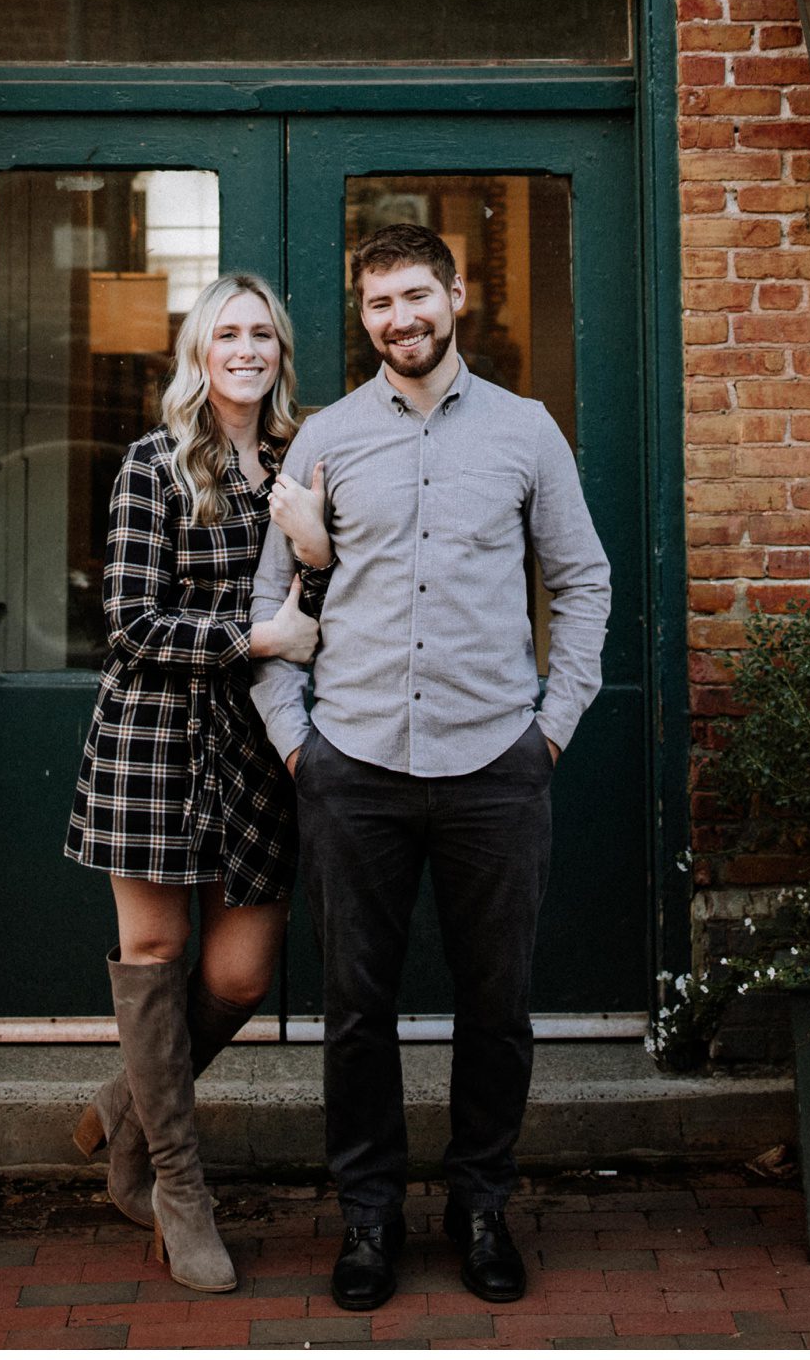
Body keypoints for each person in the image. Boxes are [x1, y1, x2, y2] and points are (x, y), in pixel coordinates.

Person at [252, 221, 611, 1313]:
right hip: (352, 761)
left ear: (454, 295)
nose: (399, 318)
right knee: (354, 1006)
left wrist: (549, 725)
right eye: (377, 303)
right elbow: (275, 604)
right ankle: (366, 1216)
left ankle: (480, 1202)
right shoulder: (325, 435)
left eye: (415, 295)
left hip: (493, 759)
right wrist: (292, 738)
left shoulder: (524, 430)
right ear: (359, 317)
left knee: (494, 1002)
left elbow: (581, 581)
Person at [65, 270, 333, 1294]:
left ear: (280, 348)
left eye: (261, 331)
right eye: (227, 332)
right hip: (153, 736)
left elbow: (328, 599)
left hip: (259, 741)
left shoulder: (305, 460)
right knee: (156, 946)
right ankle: (174, 1183)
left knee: (236, 977)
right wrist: (250, 632)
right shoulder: (153, 461)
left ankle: (123, 1104)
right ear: (199, 348)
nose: (246, 348)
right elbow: (129, 618)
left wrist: (314, 548)